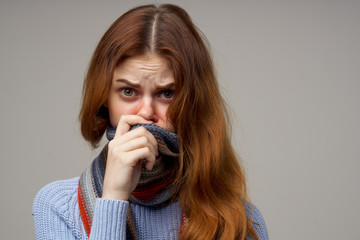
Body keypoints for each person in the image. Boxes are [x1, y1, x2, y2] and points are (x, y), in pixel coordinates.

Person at [33, 4, 268, 240]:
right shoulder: (58, 207)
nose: (146, 112)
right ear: (105, 97)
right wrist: (113, 197)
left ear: (194, 104)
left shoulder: (237, 219)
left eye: (166, 94)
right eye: (128, 91)